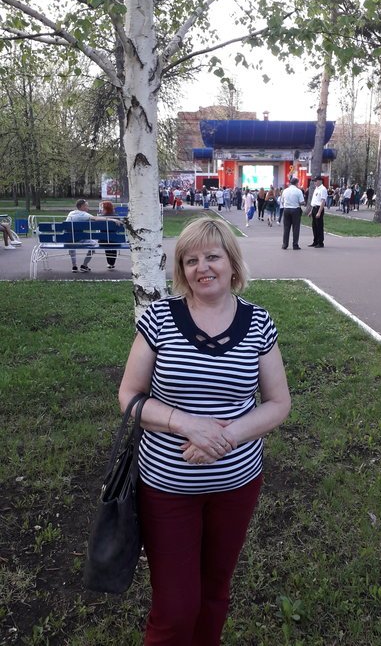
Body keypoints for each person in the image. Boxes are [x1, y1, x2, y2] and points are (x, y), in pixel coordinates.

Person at [118, 217, 291, 646]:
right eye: (190, 260)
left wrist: (224, 438)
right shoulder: (160, 318)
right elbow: (130, 395)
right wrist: (187, 424)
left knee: (214, 595)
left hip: (236, 486)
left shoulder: (258, 322)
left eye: (212, 256)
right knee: (175, 608)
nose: (202, 268)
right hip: (167, 488)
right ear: (182, 269)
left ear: (232, 263)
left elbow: (278, 403)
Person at [65, 198, 116, 273]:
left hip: (67, 240)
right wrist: (112, 220)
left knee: (71, 240)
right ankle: (84, 265)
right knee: (93, 243)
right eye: (87, 206)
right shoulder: (84, 214)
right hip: (78, 241)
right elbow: (96, 218)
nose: (88, 208)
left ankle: (74, 266)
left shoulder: (71, 213)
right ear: (82, 206)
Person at [281, 177, 305, 250]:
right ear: (296, 183)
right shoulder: (298, 191)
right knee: (296, 228)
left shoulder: (285, 191)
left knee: (286, 228)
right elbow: (302, 202)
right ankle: (295, 245)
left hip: (286, 209)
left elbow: (282, 201)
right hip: (295, 210)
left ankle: (285, 244)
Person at [99, 200, 122, 270]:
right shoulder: (117, 217)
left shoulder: (100, 218)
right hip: (115, 240)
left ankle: (110, 263)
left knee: (106, 243)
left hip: (103, 241)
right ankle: (112, 263)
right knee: (113, 244)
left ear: (105, 208)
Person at [308, 175, 328, 248]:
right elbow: (314, 201)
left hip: (319, 208)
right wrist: (311, 211)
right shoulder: (316, 189)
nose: (315, 182)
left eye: (316, 181)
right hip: (314, 208)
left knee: (319, 226)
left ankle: (320, 242)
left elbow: (323, 201)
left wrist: (319, 212)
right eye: (314, 181)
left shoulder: (323, 189)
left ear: (320, 181)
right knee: (314, 226)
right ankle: (315, 241)